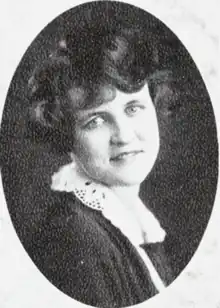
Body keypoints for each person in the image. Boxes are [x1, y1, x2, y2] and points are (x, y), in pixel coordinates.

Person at [24, 23, 175, 307]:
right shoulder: (74, 239)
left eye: (133, 108)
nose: (124, 135)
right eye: (95, 121)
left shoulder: (133, 224)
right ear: (66, 135)